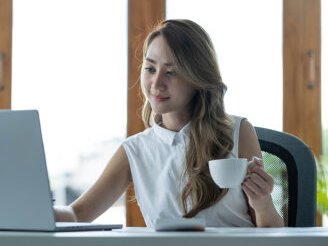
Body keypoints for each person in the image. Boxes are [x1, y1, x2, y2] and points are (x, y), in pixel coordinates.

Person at [54, 19, 284, 227]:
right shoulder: (135, 150)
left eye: (171, 72)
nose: (156, 83)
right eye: (150, 69)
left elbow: (271, 234)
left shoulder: (238, 131)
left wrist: (263, 204)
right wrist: (29, 210)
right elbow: (77, 215)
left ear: (198, 77)